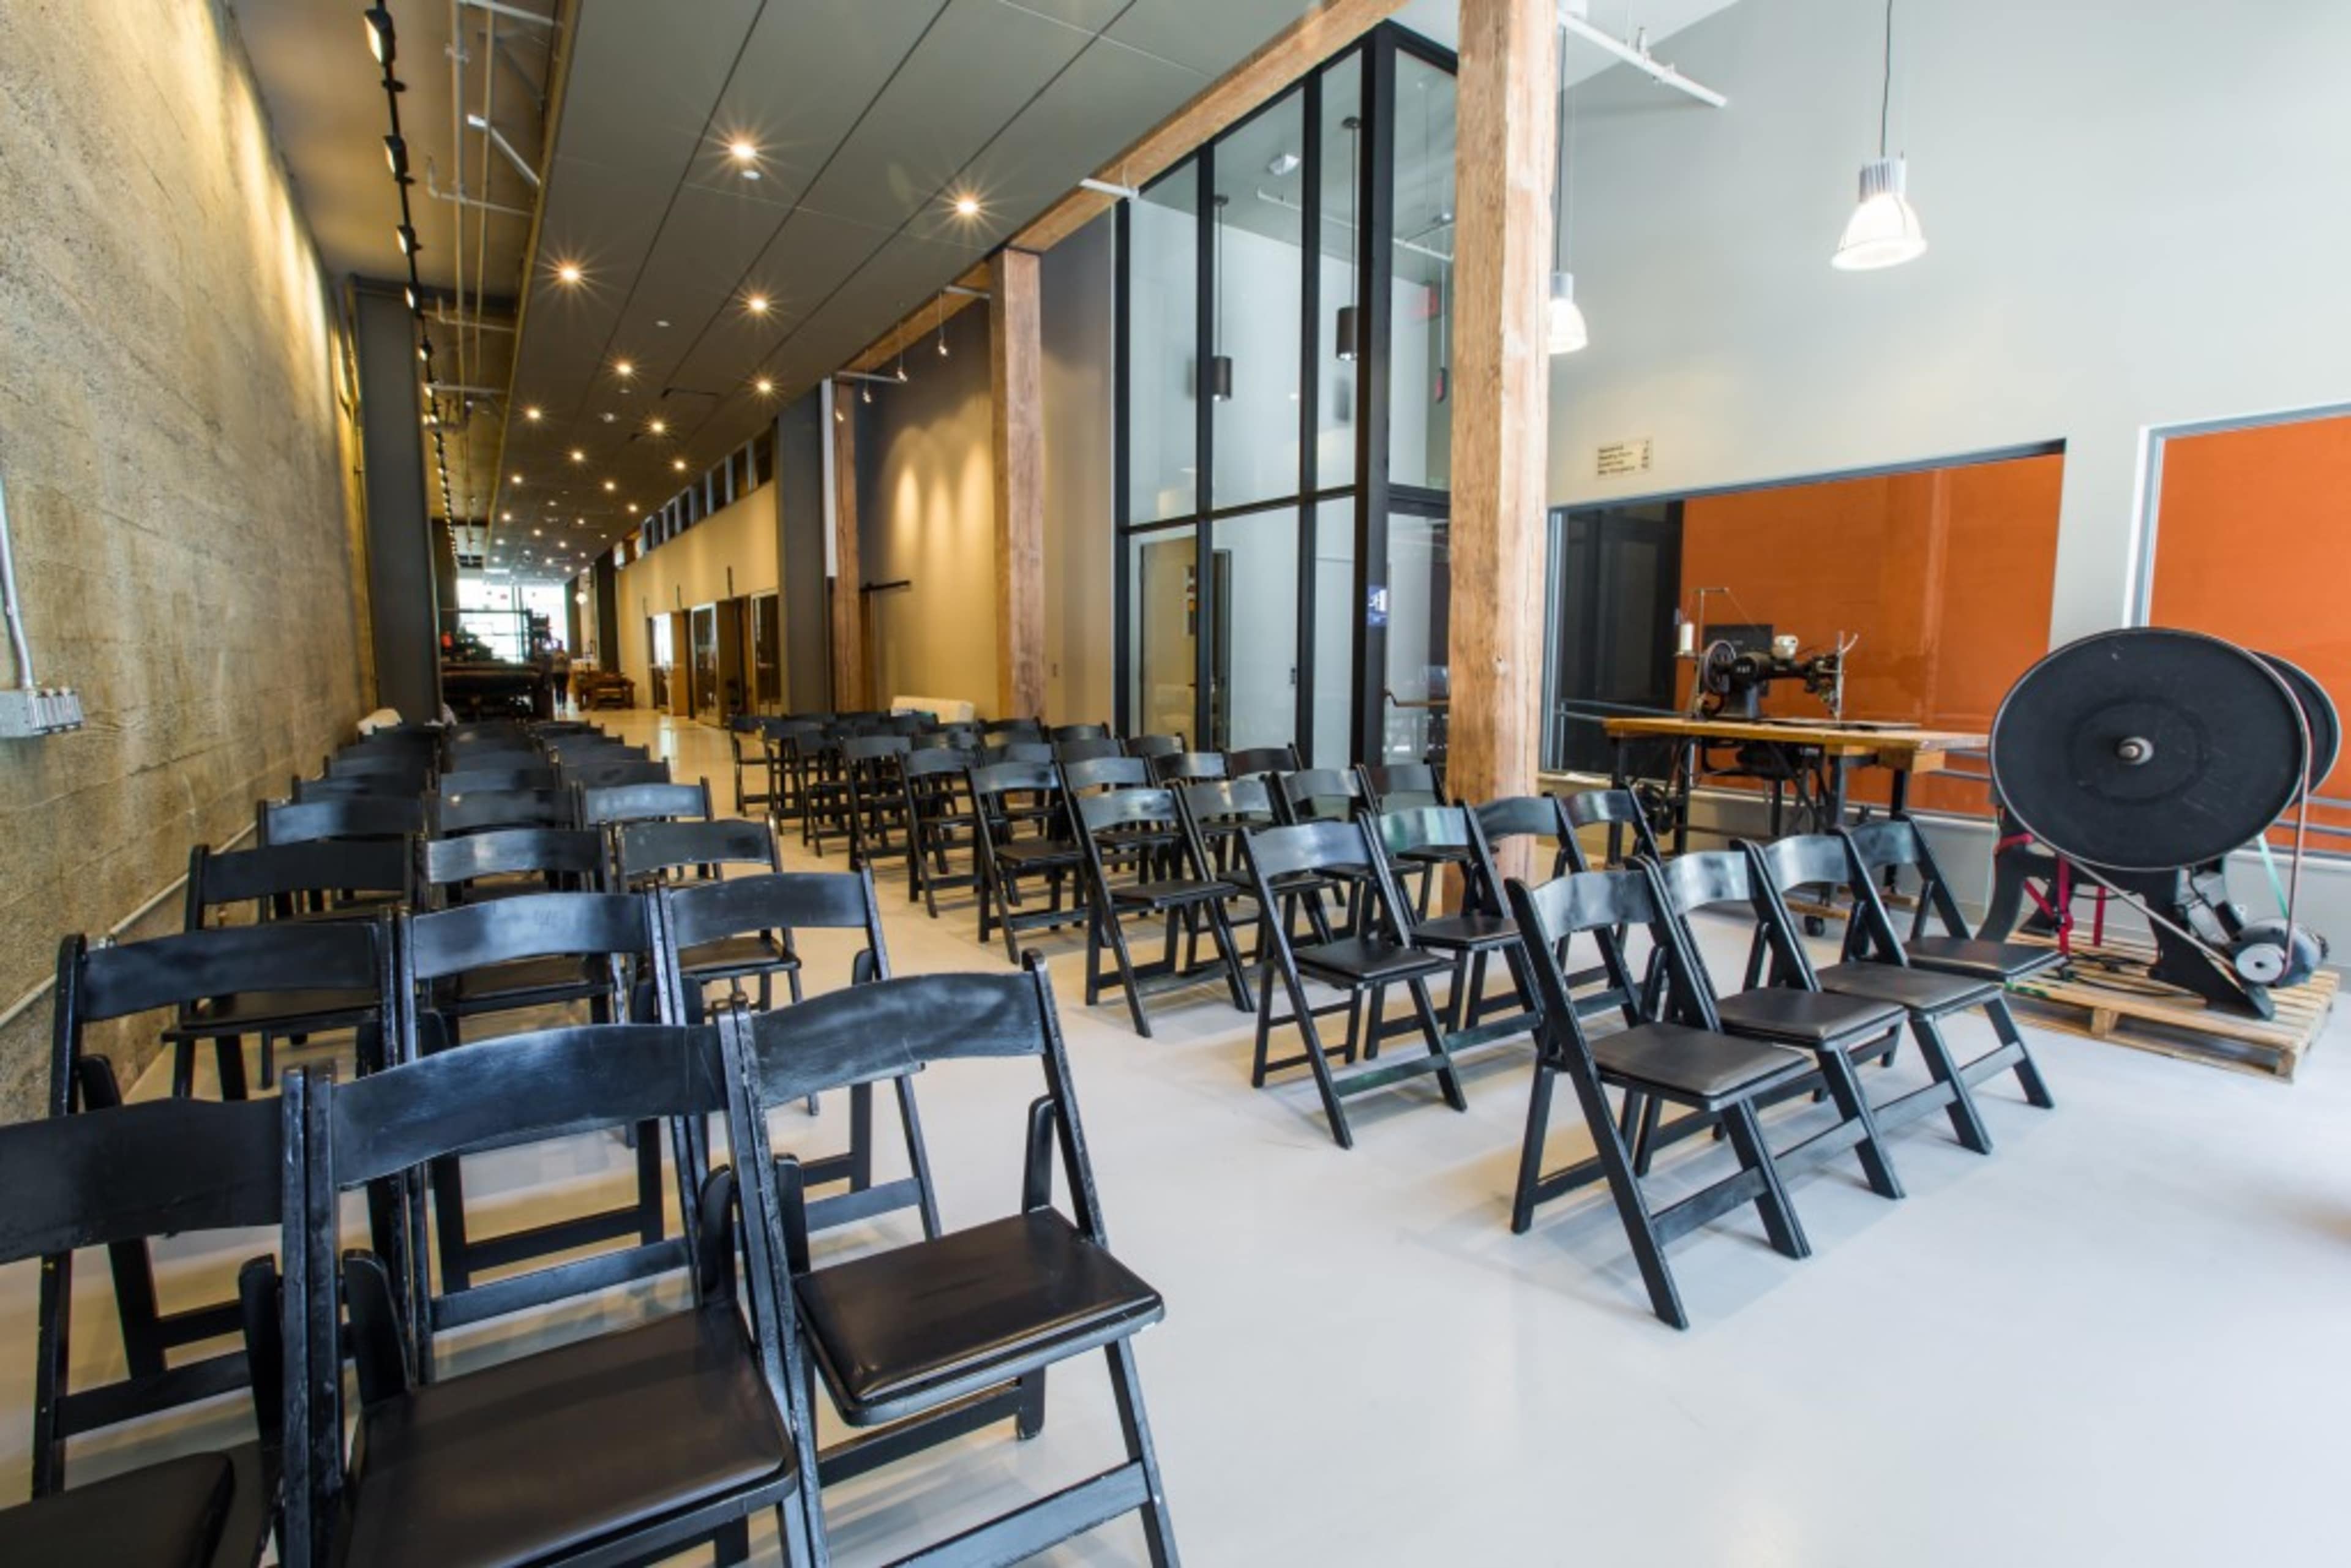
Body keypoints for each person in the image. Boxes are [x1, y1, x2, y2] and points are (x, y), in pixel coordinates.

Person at [550, 644, 572, 711]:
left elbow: (569, 663)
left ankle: (564, 703)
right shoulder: (554, 654)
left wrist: (564, 659)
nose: (560, 647)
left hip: (564, 673)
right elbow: (552, 662)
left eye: (561, 646)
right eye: (559, 646)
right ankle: (558, 702)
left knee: (564, 689)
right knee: (558, 688)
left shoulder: (566, 654)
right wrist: (558, 658)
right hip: (556, 673)